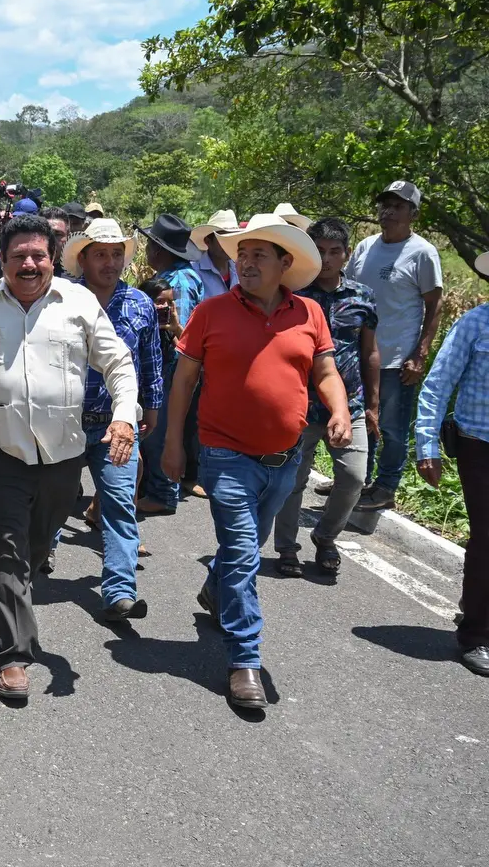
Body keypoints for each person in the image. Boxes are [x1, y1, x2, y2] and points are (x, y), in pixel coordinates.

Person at [162, 213, 350, 710]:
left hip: (285, 461)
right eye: (242, 254)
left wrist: (341, 410)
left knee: (240, 553)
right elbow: (183, 382)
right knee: (244, 552)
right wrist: (174, 444)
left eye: (258, 255)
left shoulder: (309, 312)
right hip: (224, 454)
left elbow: (327, 372)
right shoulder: (212, 312)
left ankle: (214, 588)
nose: (245, 262)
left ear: (285, 263)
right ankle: (245, 660)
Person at [0, 215, 138, 703]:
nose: (29, 264)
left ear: (53, 259)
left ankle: (19, 592)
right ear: (2, 261)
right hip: (4, 453)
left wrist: (124, 415)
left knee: (36, 548)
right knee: (7, 550)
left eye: (38, 255)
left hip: (64, 456)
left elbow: (118, 362)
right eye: (18, 255)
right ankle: (13, 655)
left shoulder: (77, 302)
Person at [62, 219, 162, 619]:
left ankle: (119, 590)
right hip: (65, 422)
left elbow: (152, 361)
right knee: (54, 503)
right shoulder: (63, 300)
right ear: (82, 259)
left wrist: (150, 408)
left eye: (116, 253)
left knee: (120, 504)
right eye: (100, 254)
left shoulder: (139, 304)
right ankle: (39, 555)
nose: (110, 262)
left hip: (117, 426)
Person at [272, 217, 379, 578]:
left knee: (353, 477)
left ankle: (326, 535)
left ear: (346, 255)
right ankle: (286, 547)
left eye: (335, 252)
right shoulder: (294, 295)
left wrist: (374, 405)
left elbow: (370, 353)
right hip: (300, 404)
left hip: (349, 404)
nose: (328, 259)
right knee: (293, 480)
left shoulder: (361, 297)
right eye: (319, 251)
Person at [347, 180, 444, 511]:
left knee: (391, 425)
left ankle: (386, 487)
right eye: (384, 204)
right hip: (357, 354)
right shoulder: (365, 247)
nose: (387, 211)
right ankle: (356, 480)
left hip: (396, 357)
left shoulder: (422, 253)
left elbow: (434, 306)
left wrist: (420, 353)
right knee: (359, 419)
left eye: (397, 206)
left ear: (413, 214)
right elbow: (347, 294)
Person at [415, 280, 489, 677]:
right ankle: (476, 635)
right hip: (480, 444)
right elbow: (438, 384)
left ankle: (476, 608)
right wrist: (426, 446)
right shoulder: (475, 324)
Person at [136, 214, 205, 516]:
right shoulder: (191, 275)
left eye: (151, 245)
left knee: (159, 432)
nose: (148, 250)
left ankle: (163, 493)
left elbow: (181, 330)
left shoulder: (175, 282)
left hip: (171, 367)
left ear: (160, 250)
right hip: (177, 368)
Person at [190, 209, 240, 299]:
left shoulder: (240, 269)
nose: (229, 244)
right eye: (223, 239)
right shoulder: (194, 272)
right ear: (208, 241)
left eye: (232, 238)